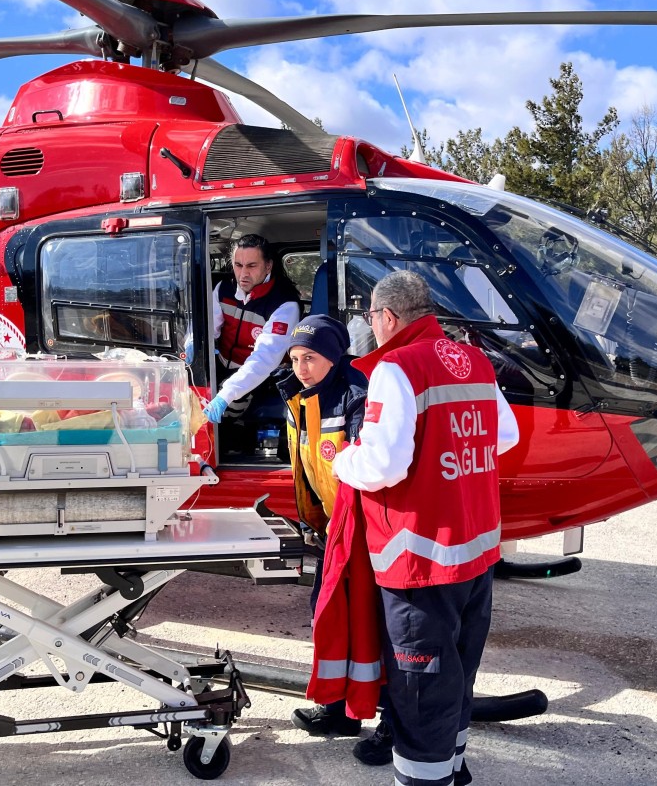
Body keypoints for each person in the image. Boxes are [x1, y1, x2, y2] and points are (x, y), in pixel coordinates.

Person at [332, 270, 519, 786]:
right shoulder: (474, 360)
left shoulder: (397, 367)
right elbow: (504, 434)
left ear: (388, 317)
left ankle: (422, 779)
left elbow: (384, 466)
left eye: (371, 316)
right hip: (475, 554)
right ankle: (454, 768)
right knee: (458, 674)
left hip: (420, 560)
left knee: (420, 688)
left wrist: (342, 461)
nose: (370, 325)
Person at [276, 315, 369, 738]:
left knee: (366, 625)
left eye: (310, 358)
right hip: (334, 528)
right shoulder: (299, 397)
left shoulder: (356, 395)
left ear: (333, 356)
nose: (301, 368)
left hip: (364, 530)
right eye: (295, 358)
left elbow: (365, 467)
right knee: (327, 616)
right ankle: (337, 709)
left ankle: (377, 715)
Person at [202, 234, 301, 445]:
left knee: (228, 416)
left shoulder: (284, 304)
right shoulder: (223, 290)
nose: (243, 274)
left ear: (268, 267)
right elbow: (207, 330)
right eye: (238, 265)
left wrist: (226, 394)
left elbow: (264, 358)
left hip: (262, 377)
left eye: (251, 266)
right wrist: (196, 344)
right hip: (222, 364)